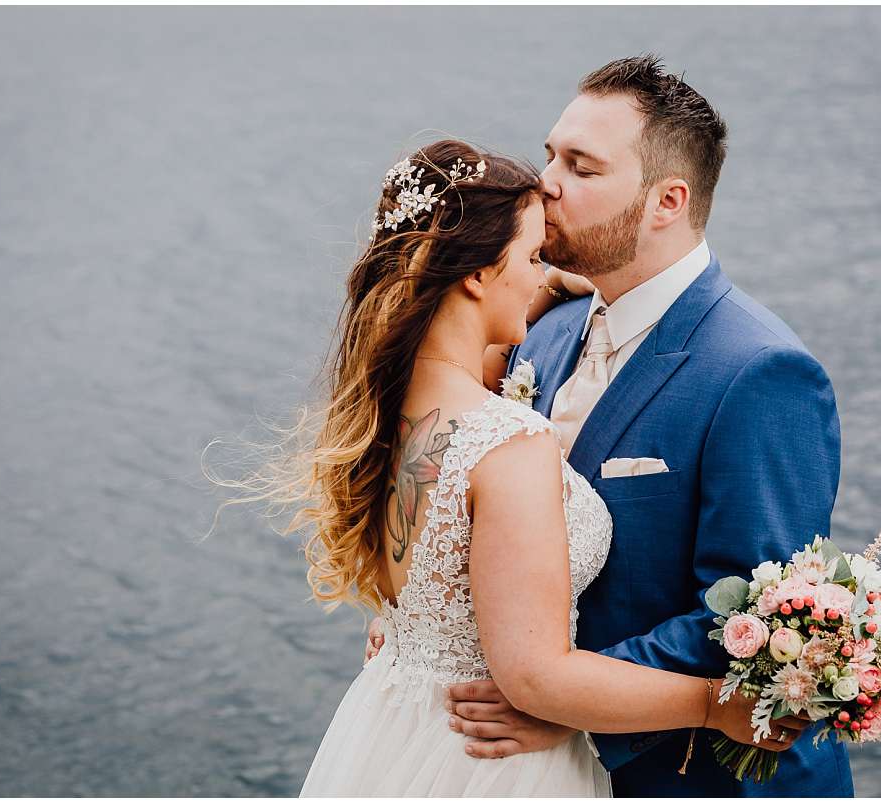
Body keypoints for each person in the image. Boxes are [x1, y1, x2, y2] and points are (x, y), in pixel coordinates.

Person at [249, 138, 808, 797]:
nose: (544, 276)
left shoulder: (397, 413)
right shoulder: (508, 440)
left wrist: (547, 290)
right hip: (494, 763)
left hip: (396, 731)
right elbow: (535, 677)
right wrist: (718, 704)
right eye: (532, 258)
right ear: (478, 275)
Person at [366, 56, 856, 796]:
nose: (545, 184)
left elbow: (752, 620)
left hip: (696, 778)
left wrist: (565, 702)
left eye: (582, 168)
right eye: (550, 154)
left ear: (666, 201)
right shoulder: (545, 328)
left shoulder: (761, 373)